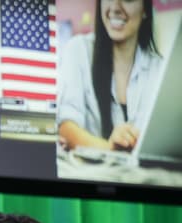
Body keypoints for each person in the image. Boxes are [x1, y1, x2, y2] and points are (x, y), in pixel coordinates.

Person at [57, 0, 162, 152]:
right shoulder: (78, 50)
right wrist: (109, 149)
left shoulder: (158, 68)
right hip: (89, 167)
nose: (115, 7)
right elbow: (66, 128)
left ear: (145, 9)